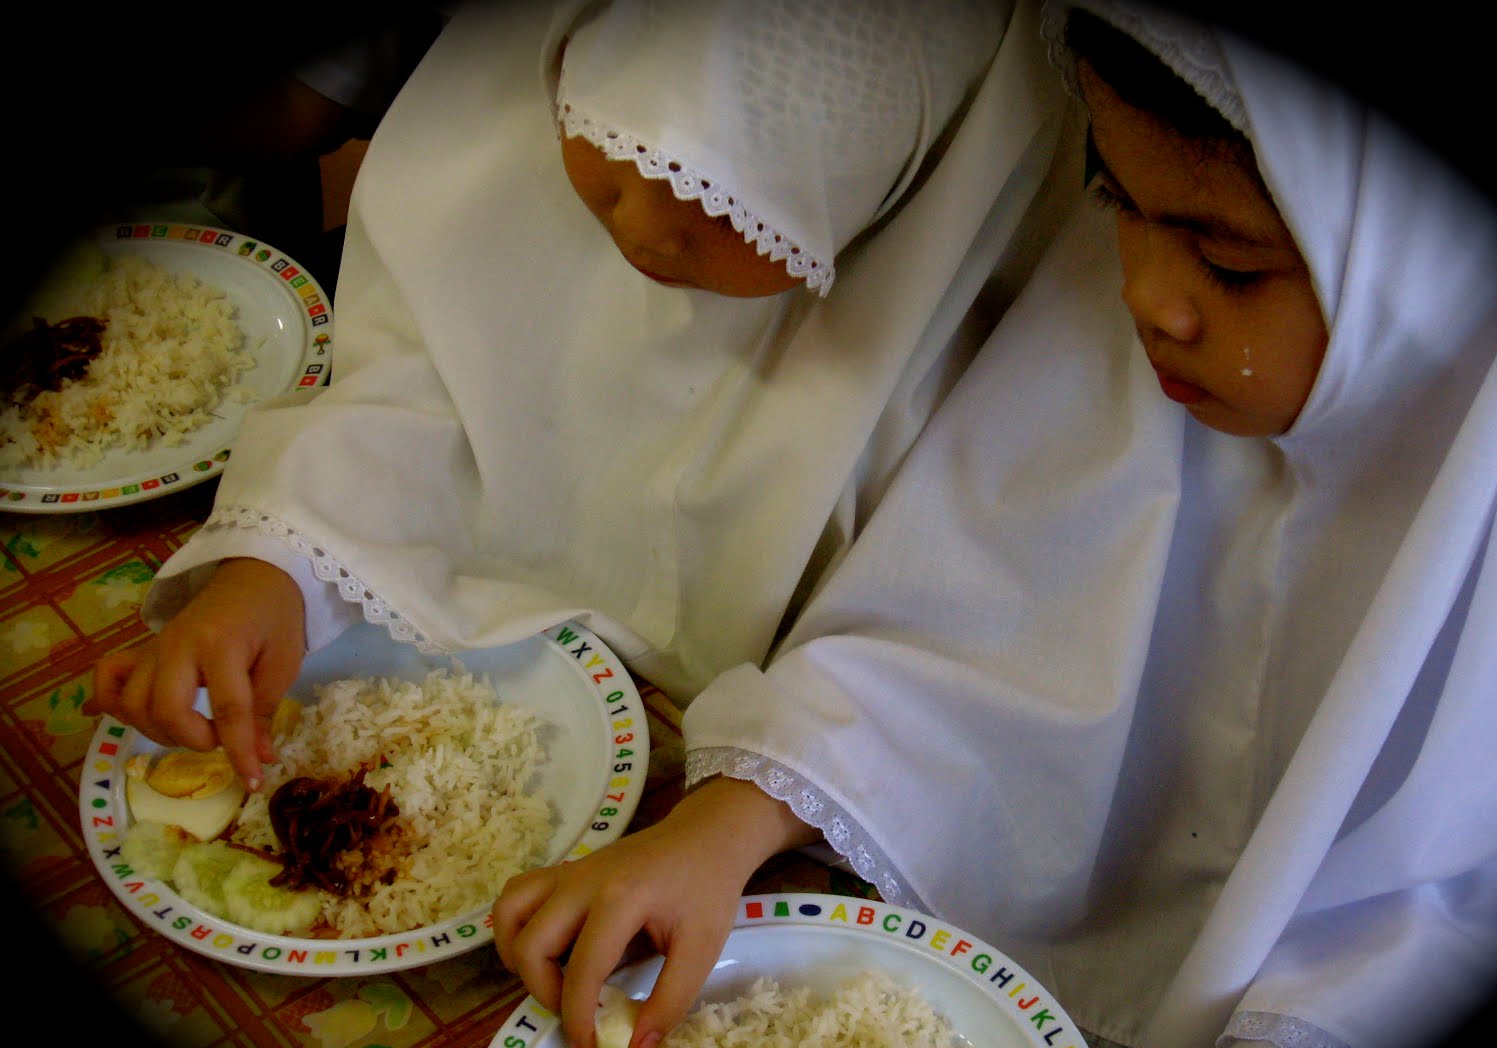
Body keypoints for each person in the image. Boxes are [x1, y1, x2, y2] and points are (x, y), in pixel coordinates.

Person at [491, 0, 1497, 1048]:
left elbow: (1467, 905)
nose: (1149, 299)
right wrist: (718, 830)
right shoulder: (1151, 350)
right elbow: (959, 622)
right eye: (1117, 205)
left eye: (1230, 263)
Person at [90, 0, 1068, 790]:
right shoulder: (532, 128)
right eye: (616, 150)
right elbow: (433, 380)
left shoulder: (984, 335)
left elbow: (939, 648)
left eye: (725, 206)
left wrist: (768, 787)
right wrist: (280, 565)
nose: (641, 228)